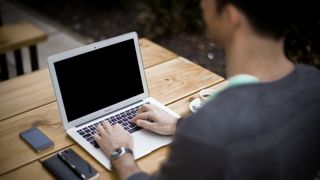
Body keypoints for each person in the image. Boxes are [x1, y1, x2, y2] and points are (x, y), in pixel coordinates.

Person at [93, 0, 320, 179]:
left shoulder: (209, 131)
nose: (201, 4)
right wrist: (178, 125)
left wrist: (121, 153)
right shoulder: (313, 85)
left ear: (232, 17)